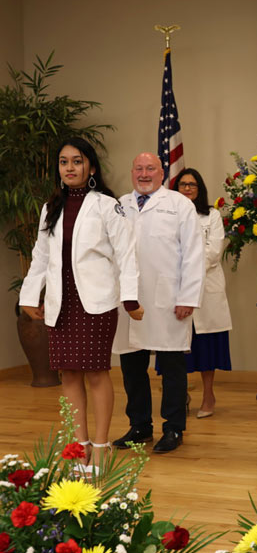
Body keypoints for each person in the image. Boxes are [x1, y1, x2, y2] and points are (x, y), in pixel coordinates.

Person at [20, 137, 142, 472]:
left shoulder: (106, 204)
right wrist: (30, 296)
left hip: (95, 302)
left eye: (77, 161)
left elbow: (126, 253)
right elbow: (41, 256)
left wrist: (130, 297)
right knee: (69, 375)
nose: (70, 167)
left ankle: (101, 448)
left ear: (90, 166)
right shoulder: (51, 207)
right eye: (63, 162)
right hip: (62, 302)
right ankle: (79, 447)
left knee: (96, 373)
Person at [112, 152, 204, 454]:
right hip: (129, 299)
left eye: (150, 168)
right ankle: (139, 426)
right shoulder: (120, 206)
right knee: (131, 366)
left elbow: (193, 253)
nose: (143, 173)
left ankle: (174, 428)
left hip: (168, 298)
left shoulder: (179, 205)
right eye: (138, 168)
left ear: (161, 172)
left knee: (173, 366)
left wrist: (188, 296)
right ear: (131, 172)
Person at [172, 168, 232, 418]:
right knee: (176, 346)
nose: (187, 188)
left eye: (192, 185)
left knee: (206, 346)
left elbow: (213, 251)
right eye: (182, 184)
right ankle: (179, 394)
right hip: (174, 287)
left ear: (200, 189)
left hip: (205, 288)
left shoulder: (212, 216)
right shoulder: (168, 215)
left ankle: (208, 395)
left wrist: (186, 267)